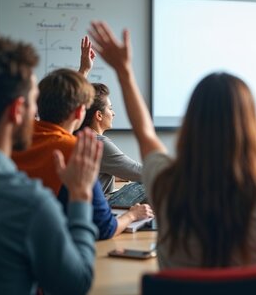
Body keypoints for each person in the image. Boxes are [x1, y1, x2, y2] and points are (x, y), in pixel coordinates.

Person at [88, 21, 256, 268]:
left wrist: (125, 72)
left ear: (191, 123)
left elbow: (144, 133)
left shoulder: (166, 182)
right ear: (249, 127)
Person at [0, 35, 101, 294]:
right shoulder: (29, 204)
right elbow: (75, 284)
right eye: (34, 102)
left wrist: (82, 72)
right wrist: (81, 196)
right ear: (17, 110)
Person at [12, 68, 152, 239]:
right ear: (81, 111)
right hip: (58, 236)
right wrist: (132, 215)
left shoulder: (20, 138)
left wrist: (84, 69)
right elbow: (104, 228)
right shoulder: (76, 149)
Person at [78, 82, 142, 195]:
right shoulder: (99, 143)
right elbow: (137, 172)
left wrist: (113, 175)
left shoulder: (78, 135)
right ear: (99, 115)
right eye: (110, 108)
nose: (113, 113)